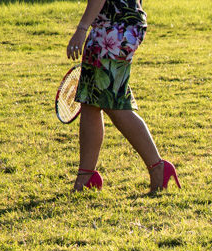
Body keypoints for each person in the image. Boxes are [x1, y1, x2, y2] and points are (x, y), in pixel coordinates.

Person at [66, 0, 178, 193]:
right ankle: (85, 177)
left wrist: (82, 28)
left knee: (113, 104)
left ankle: (158, 167)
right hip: (108, 24)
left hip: (116, 27)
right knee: (90, 100)